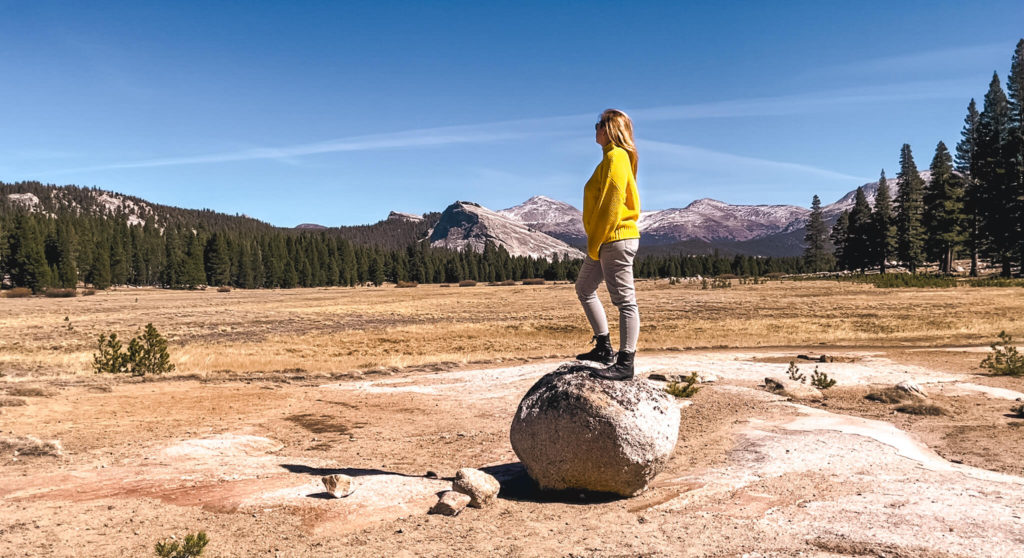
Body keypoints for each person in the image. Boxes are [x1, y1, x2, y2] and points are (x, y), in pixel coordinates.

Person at [575, 109, 641, 380]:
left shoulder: (617, 157)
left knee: (625, 302)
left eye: (598, 124)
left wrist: (596, 241)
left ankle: (626, 363)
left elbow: (611, 205)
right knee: (584, 288)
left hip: (615, 239)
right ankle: (604, 347)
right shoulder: (609, 160)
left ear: (609, 128)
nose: (595, 129)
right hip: (606, 240)